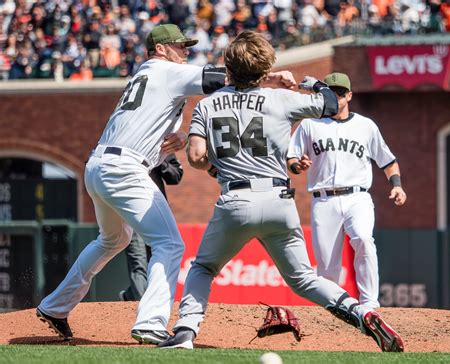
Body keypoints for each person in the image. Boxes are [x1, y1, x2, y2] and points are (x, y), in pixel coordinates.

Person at [159, 30, 404, 352]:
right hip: (279, 201)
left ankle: (185, 332)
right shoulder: (282, 99)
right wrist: (310, 83)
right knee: (303, 279)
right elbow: (331, 104)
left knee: (203, 268)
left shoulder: (207, 105)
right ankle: (361, 311)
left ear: (228, 68)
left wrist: (220, 166)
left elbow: (196, 158)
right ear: (264, 69)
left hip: (235, 199)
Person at [36, 23, 230, 345]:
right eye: (180, 46)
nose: (186, 51)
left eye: (186, 46)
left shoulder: (147, 74)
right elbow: (217, 79)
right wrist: (261, 79)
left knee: (112, 240)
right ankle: (151, 322)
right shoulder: (166, 70)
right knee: (170, 244)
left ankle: (55, 306)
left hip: (99, 165)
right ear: (160, 49)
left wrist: (183, 136)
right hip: (124, 169)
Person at [287, 72, 407, 310]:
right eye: (331, 93)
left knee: (363, 239)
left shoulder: (366, 126)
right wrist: (297, 166)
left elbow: (388, 161)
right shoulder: (310, 124)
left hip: (357, 196)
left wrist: (397, 185)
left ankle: (370, 304)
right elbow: (291, 158)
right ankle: (332, 309)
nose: (337, 98)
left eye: (341, 93)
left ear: (349, 95)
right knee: (327, 267)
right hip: (323, 199)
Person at [120, 154, 184, 302]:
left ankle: (131, 295)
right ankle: (142, 307)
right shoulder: (125, 141)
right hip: (130, 211)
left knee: (156, 261)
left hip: (155, 212)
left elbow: (175, 177)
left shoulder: (162, 144)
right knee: (138, 262)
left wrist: (160, 160)